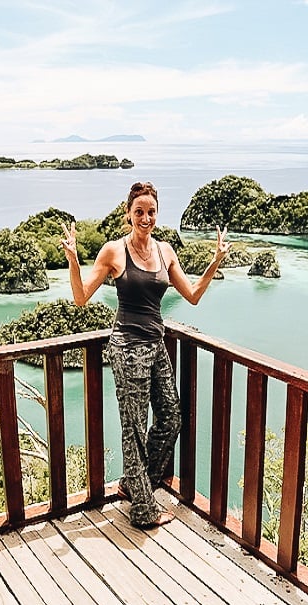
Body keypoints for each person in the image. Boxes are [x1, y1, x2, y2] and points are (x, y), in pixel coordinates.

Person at [60, 181, 230, 528]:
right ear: (129, 215)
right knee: (134, 427)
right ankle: (142, 509)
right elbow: (81, 298)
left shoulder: (166, 251)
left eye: (151, 211)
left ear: (157, 214)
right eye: (139, 212)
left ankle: (136, 485)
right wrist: (73, 261)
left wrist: (215, 262)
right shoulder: (113, 251)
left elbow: (193, 294)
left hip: (156, 344)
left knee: (171, 418)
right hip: (126, 346)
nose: (146, 218)